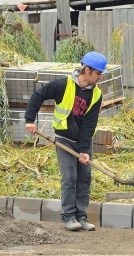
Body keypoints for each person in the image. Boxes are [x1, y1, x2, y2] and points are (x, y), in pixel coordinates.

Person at [25, 51, 106, 231]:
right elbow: (38, 96)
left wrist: (84, 149)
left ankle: (81, 216)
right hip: (64, 139)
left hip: (82, 141)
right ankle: (69, 216)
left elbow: (89, 124)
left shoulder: (96, 94)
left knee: (85, 178)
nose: (101, 77)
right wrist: (30, 120)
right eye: (98, 73)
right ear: (87, 70)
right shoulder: (63, 85)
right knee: (70, 178)